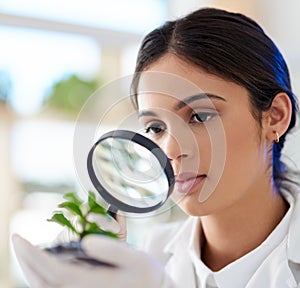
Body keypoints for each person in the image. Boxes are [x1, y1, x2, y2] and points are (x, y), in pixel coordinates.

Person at [12, 7, 300, 288]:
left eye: (199, 116)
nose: (172, 149)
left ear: (275, 117)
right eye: (155, 128)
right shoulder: (151, 254)